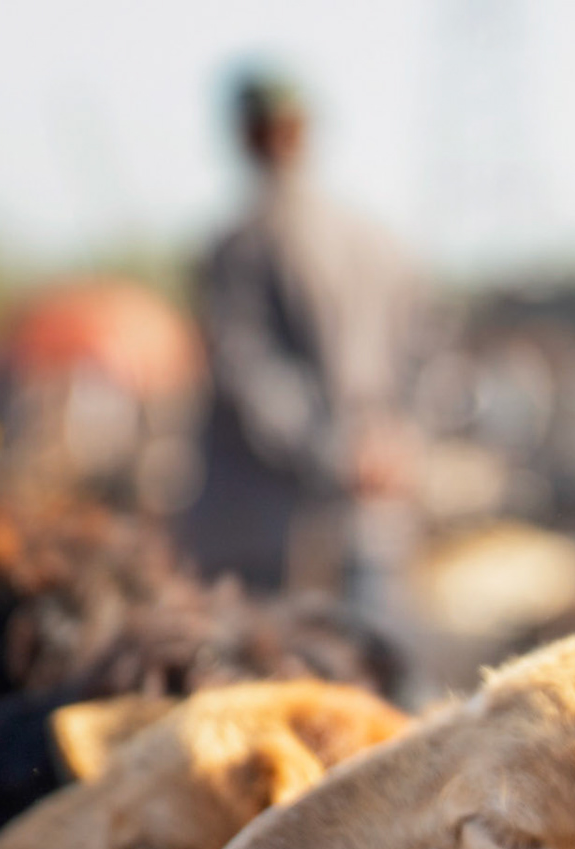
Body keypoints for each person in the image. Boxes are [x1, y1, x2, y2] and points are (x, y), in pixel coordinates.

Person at [180, 73, 426, 596]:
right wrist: (391, 446)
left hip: (266, 539)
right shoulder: (379, 239)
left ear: (245, 136)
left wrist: (336, 455)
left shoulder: (241, 245)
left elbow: (248, 375)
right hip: (372, 526)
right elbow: (428, 358)